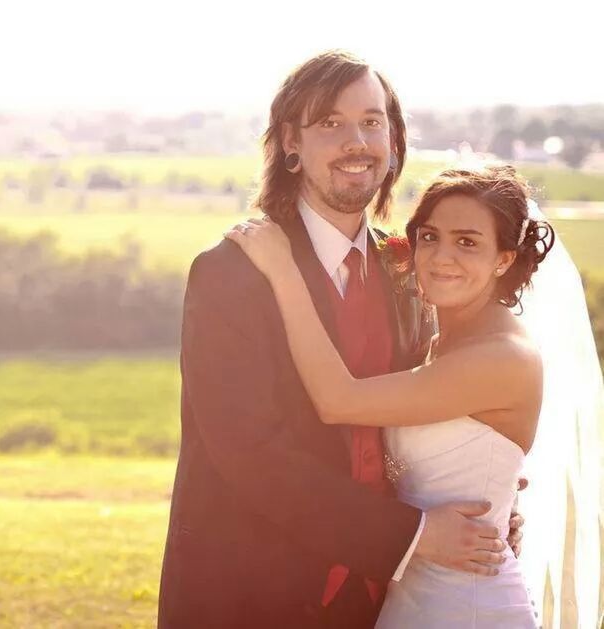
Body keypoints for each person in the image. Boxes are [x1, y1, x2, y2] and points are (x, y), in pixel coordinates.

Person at [157, 50, 524, 629]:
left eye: (372, 121)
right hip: (251, 594)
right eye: (330, 122)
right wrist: (418, 535)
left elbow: (432, 405)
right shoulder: (230, 274)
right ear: (290, 143)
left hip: (388, 598)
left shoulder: (411, 271)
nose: (357, 141)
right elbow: (250, 453)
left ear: (394, 141)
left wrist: (494, 497)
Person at [226, 165, 552, 626]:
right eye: (430, 236)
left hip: (468, 606)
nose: (441, 257)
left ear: (503, 259)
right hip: (411, 595)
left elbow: (338, 400)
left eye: (467, 242)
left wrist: (283, 271)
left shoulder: (503, 357)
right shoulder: (439, 341)